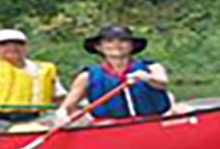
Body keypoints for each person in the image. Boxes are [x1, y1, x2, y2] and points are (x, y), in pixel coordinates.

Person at [56, 25, 186, 125]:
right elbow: (67, 106)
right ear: (99, 47)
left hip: (153, 123)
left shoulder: (151, 68)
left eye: (123, 41)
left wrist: (146, 78)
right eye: (109, 41)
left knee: (183, 110)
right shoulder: (87, 76)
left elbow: (162, 83)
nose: (116, 45)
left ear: (132, 46)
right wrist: (63, 114)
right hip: (109, 128)